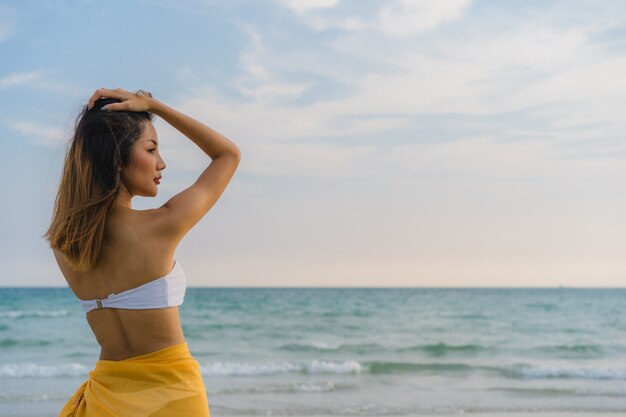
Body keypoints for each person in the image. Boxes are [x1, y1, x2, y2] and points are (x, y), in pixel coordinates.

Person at [44, 87, 241, 416]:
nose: (161, 163)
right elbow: (227, 155)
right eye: (151, 149)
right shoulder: (162, 225)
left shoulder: (65, 245)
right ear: (117, 159)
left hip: (105, 399)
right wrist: (155, 106)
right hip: (174, 394)